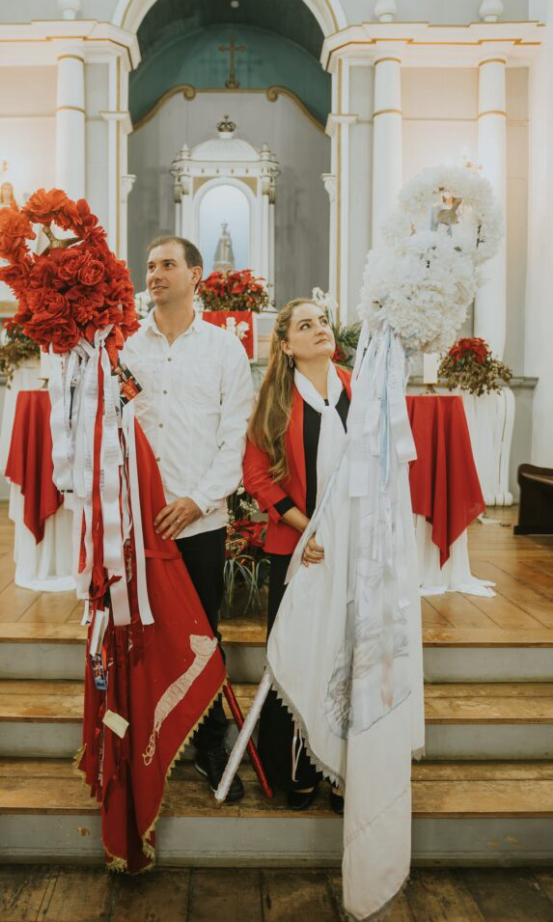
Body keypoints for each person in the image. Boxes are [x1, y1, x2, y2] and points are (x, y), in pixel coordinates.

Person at [121, 235, 255, 803]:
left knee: (203, 634)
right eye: (150, 266)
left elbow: (235, 438)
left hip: (197, 522)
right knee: (143, 634)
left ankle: (210, 739)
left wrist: (197, 500)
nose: (155, 274)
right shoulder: (126, 347)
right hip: (140, 520)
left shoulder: (224, 350)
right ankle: (146, 729)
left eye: (168, 265)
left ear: (196, 275)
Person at [243, 298, 351, 810]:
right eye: (305, 326)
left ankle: (346, 769)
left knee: (346, 655)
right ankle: (298, 767)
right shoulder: (276, 399)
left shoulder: (358, 388)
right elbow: (257, 476)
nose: (319, 330)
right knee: (299, 657)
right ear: (286, 345)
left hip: (351, 548)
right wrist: (306, 530)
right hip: (299, 548)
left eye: (323, 322)